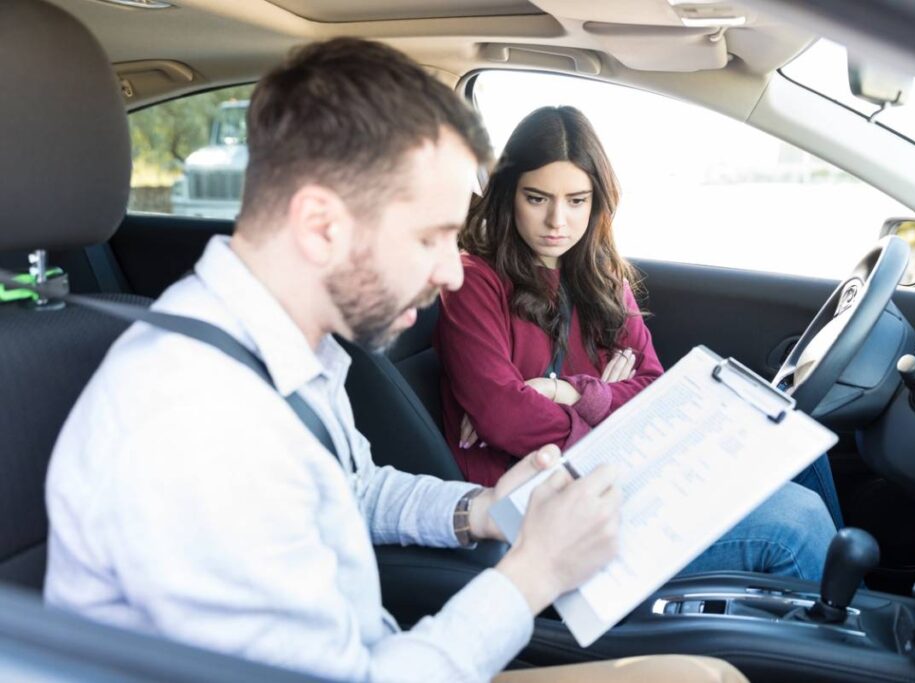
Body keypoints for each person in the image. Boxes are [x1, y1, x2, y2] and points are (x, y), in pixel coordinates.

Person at [43, 38, 745, 683]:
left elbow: (354, 487)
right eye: (432, 237)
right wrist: (534, 572)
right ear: (322, 226)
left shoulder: (283, 351)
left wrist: (485, 509)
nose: (453, 272)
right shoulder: (197, 423)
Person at [435, 106, 840, 580]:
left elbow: (652, 387)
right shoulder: (474, 281)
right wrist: (611, 424)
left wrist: (574, 393)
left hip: (624, 470)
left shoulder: (601, 276)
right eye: (537, 198)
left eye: (577, 201)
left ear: (597, 201)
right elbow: (505, 416)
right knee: (797, 524)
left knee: (799, 446)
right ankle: (843, 642)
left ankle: (857, 608)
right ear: (508, 195)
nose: (556, 221)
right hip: (545, 502)